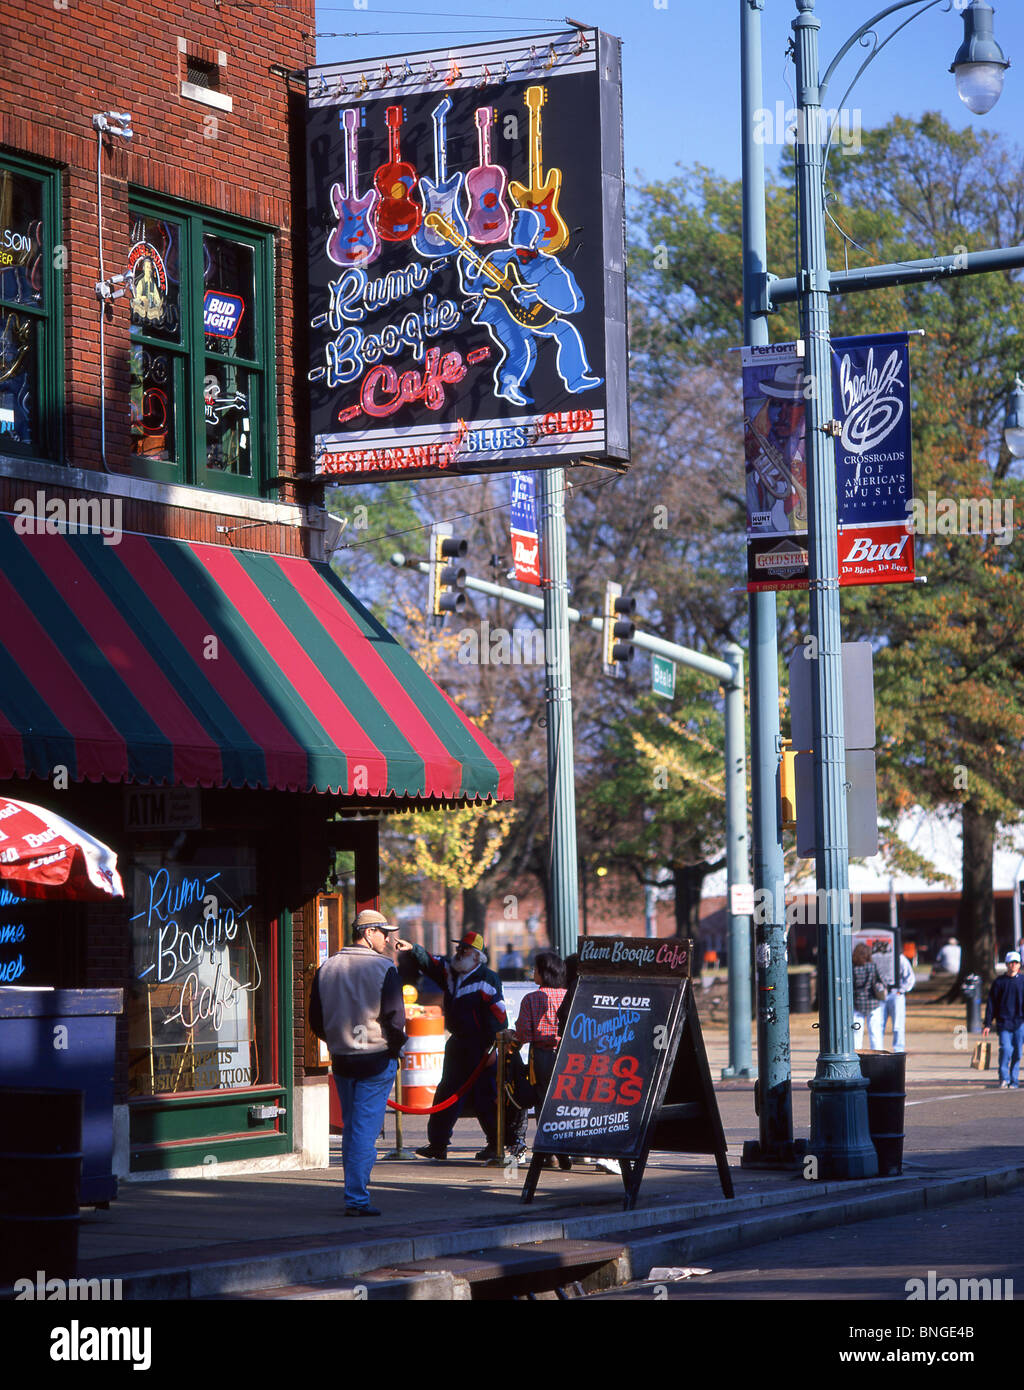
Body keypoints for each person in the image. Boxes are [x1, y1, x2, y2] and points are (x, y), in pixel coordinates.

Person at [309, 908, 406, 1216]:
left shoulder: (327, 967)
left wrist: (339, 1039)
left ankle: (354, 1192)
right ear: (368, 933)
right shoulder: (383, 967)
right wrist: (395, 1047)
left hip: (342, 1058)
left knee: (352, 1128)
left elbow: (315, 1019)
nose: (388, 939)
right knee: (364, 1132)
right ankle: (357, 1199)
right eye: (383, 932)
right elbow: (396, 1018)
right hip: (375, 1059)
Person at [455, 207, 602, 406]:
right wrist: (467, 269)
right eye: (514, 224)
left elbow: (575, 304)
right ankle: (509, 384)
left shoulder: (548, 264)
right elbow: (471, 287)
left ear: (538, 234)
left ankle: (575, 379)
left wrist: (538, 295)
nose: (515, 229)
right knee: (524, 346)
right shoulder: (497, 258)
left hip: (536, 315)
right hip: (501, 313)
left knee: (567, 331)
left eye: (521, 225)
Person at [396, 930, 507, 1161]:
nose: (459, 952)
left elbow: (499, 1017)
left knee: (486, 1096)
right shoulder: (451, 972)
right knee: (446, 1092)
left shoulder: (488, 979)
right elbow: (432, 962)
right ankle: (437, 1145)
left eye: (464, 949)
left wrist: (493, 1049)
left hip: (481, 1046)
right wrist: (413, 949)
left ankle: (496, 1145)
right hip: (458, 1043)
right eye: (458, 948)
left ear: (477, 956)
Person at [508, 950, 567, 1167]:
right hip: (568, 1055)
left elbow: (524, 1033)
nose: (533, 972)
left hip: (542, 1056)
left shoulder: (532, 999)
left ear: (544, 973)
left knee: (544, 1103)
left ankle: (548, 1152)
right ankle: (568, 1148)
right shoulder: (569, 995)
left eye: (536, 969)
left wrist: (511, 1044)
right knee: (565, 1102)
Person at [983, 951, 1024, 1090]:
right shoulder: (999, 982)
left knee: (1018, 1052)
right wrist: (987, 1023)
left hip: (1020, 1022)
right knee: (1006, 1049)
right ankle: (1004, 1077)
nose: (1013, 965)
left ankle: (1014, 1079)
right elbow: (991, 1004)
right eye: (1011, 963)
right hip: (1004, 1022)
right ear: (1006, 964)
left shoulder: (1022, 981)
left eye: (1016, 963)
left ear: (1019, 965)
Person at [869, 946, 915, 1052]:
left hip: (896, 995)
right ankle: (878, 1050)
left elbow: (910, 978)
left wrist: (901, 990)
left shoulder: (900, 959)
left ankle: (898, 1050)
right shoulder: (877, 958)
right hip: (881, 995)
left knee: (898, 1025)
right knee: (878, 1024)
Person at [852, 942, 886, 1050]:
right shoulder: (872, 966)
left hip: (858, 1003)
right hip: (873, 1002)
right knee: (875, 1033)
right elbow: (880, 981)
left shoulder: (852, 968)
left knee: (856, 1033)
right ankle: (877, 1056)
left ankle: (857, 1056)